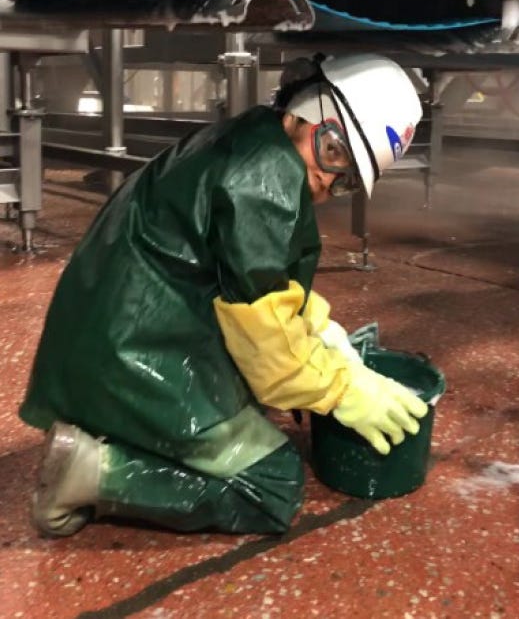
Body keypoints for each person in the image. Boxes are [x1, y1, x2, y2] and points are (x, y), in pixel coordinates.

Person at [19, 52, 427, 538]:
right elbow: (270, 348)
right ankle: (94, 470)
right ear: (302, 109)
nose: (328, 180)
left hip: (112, 333)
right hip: (135, 353)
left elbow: (260, 278)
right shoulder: (264, 180)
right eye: (333, 151)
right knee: (274, 483)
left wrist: (321, 329)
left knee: (253, 403)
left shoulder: (254, 138)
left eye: (347, 180)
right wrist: (341, 389)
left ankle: (119, 434)